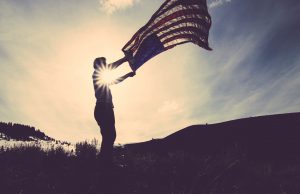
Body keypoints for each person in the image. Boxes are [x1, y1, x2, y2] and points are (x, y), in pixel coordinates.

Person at [93, 57, 135, 165]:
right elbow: (112, 67)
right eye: (104, 64)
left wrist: (127, 75)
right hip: (103, 109)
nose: (106, 65)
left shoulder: (103, 81)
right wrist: (125, 58)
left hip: (104, 109)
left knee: (109, 136)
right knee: (109, 136)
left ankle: (105, 163)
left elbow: (115, 81)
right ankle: (105, 164)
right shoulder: (96, 74)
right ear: (99, 65)